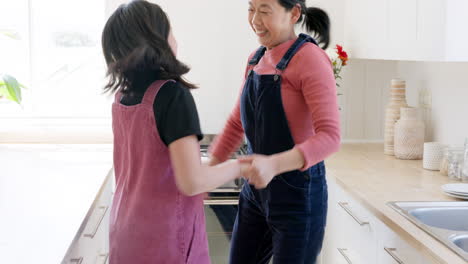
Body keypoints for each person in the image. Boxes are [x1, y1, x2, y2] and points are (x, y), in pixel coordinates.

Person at [101, 1, 246, 263]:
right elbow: (191, 183)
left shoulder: (122, 97)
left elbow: (154, 167)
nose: (175, 38)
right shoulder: (172, 96)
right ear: (156, 39)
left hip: (125, 233)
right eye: (170, 30)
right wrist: (243, 166)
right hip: (164, 240)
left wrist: (214, 162)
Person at [209, 0, 341, 263]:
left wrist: (273, 165)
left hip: (298, 197)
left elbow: (330, 137)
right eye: (251, 8)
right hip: (256, 194)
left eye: (265, 10)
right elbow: (237, 123)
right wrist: (208, 173)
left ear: (294, 13)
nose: (255, 19)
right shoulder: (256, 58)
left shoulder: (311, 59)